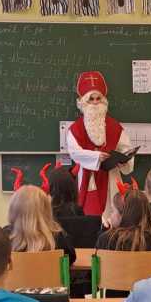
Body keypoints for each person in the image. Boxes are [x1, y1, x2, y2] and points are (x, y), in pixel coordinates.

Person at [65, 71, 134, 224]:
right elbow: (75, 153)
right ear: (83, 102)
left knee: (114, 217)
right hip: (88, 178)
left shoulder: (114, 126)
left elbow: (126, 148)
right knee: (91, 220)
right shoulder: (75, 129)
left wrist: (124, 161)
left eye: (98, 98)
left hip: (111, 177)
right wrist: (96, 157)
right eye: (91, 99)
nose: (95, 103)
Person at [5, 185, 76, 264]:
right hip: (50, 272)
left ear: (13, 210)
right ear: (46, 210)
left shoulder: (4, 237)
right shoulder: (58, 237)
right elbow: (71, 258)